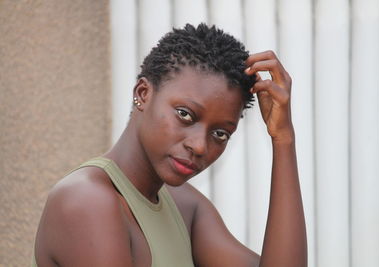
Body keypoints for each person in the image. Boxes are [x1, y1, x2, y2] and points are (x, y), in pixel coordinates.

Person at [33, 23, 307, 267]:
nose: (200, 146)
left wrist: (283, 139)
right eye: (185, 114)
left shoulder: (185, 207)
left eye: (221, 134)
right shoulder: (87, 201)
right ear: (143, 93)